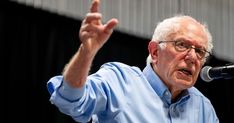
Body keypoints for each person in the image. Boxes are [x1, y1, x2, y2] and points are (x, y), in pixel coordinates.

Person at [47, 0, 219, 122]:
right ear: (155, 51)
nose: (192, 57)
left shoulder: (203, 109)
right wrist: (86, 52)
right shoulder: (119, 82)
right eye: (181, 45)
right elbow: (70, 99)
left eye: (200, 51)